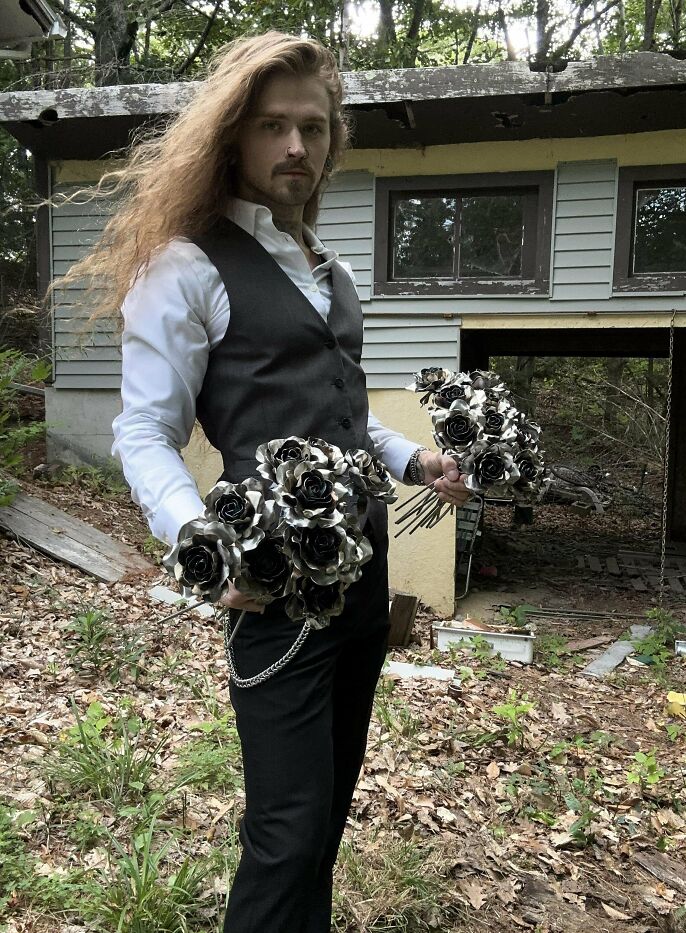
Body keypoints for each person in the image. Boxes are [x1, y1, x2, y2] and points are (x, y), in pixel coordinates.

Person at [103, 31, 471, 933]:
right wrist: (203, 544)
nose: (296, 147)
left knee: (328, 816)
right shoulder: (187, 267)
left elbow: (339, 414)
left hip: (366, 576)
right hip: (275, 591)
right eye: (273, 126)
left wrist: (411, 458)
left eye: (313, 126)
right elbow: (143, 430)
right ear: (234, 136)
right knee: (286, 825)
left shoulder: (329, 271)